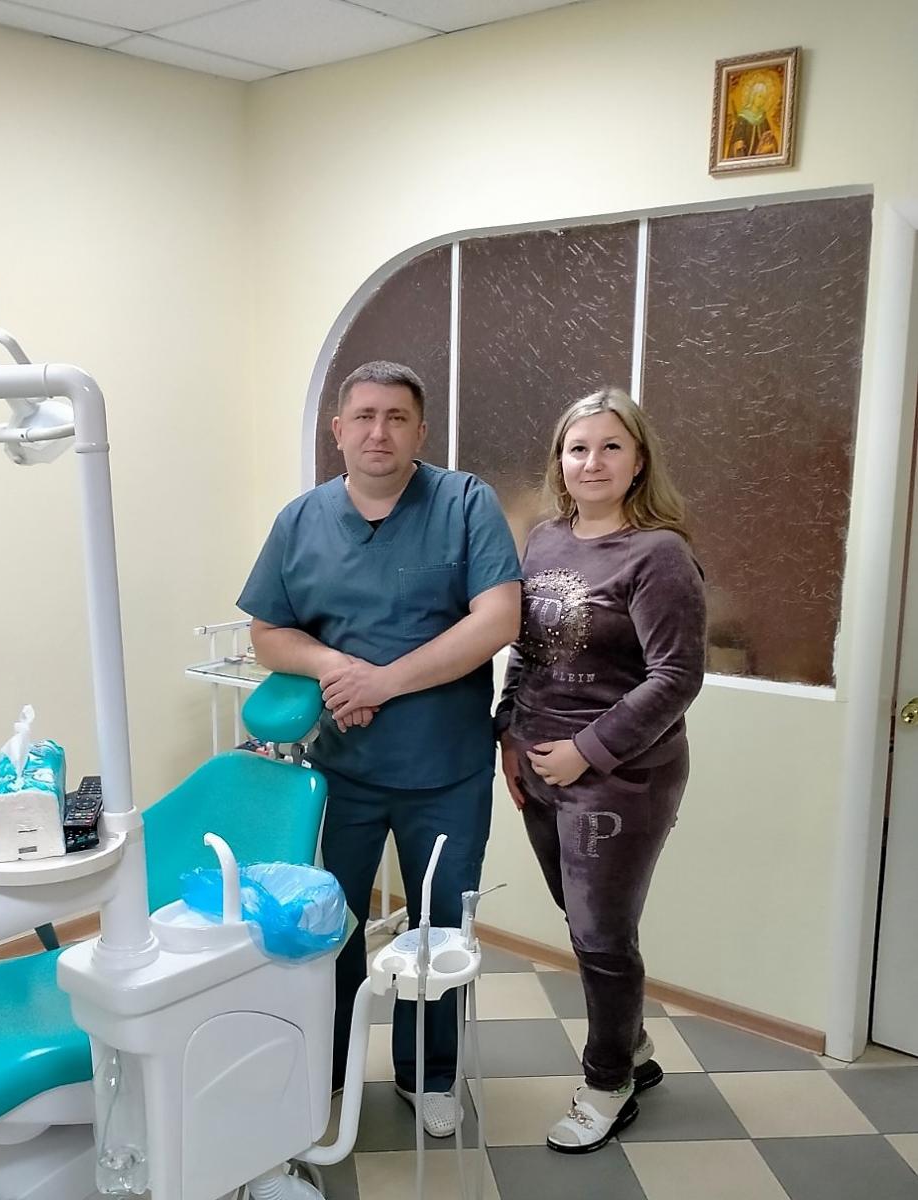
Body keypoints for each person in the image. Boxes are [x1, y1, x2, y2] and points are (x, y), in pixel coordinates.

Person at [238, 360, 521, 1137]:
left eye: (396, 417)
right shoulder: (301, 519)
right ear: (337, 430)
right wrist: (334, 667)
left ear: (420, 431)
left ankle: (428, 1075)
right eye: (363, 416)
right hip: (339, 770)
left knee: (439, 930)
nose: (378, 432)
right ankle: (324, 1068)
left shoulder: (464, 503)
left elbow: (497, 619)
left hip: (444, 769)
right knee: (325, 927)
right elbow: (268, 633)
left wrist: (383, 683)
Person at [495, 386, 706, 1154]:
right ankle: (633, 1046)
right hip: (537, 767)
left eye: (610, 446)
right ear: (559, 460)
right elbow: (525, 649)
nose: (592, 461)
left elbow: (676, 676)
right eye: (577, 447)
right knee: (588, 924)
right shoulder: (545, 540)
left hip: (620, 777)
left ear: (638, 460)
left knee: (599, 936)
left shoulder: (658, 554)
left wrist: (585, 750)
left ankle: (607, 1081)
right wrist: (507, 733)